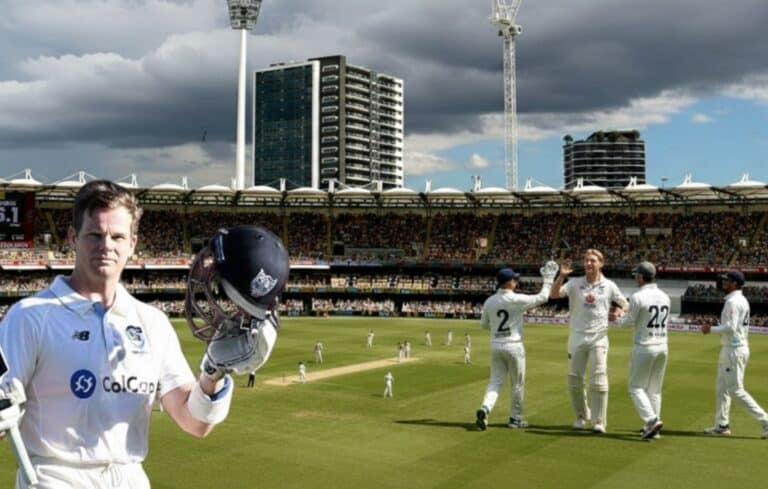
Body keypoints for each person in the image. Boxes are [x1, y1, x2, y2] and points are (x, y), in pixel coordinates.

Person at [0, 180, 288, 488]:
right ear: (73, 237)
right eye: (94, 235)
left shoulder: (153, 323)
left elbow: (194, 422)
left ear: (133, 242)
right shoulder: (30, 317)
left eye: (117, 236)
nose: (106, 245)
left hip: (130, 478)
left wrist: (213, 373)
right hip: (54, 478)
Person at [550, 249, 627, 434]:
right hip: (577, 336)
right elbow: (554, 295)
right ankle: (581, 416)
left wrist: (620, 311)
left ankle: (599, 421)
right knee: (574, 380)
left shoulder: (609, 285)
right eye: (586, 260)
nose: (588, 264)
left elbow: (625, 303)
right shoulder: (575, 283)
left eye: (592, 260)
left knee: (599, 380)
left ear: (601, 263)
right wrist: (561, 276)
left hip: (599, 337)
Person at [475, 263, 557, 431]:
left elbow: (483, 325)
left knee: (495, 382)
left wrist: (497, 330)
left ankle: (485, 407)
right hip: (514, 345)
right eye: (514, 280)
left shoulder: (490, 301)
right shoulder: (516, 299)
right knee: (517, 384)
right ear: (508, 283)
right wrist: (548, 280)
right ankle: (515, 418)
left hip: (496, 345)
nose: (516, 282)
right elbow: (542, 297)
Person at [701, 270, 768, 438]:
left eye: (727, 281)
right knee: (721, 389)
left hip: (734, 349)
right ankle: (722, 425)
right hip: (732, 348)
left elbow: (731, 327)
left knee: (736, 391)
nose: (724, 283)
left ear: (736, 284)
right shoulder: (739, 300)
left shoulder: (733, 302)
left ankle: (766, 420)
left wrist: (711, 329)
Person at [612, 262, 669, 440]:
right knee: (654, 390)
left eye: (637, 276)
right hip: (662, 346)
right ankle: (654, 426)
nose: (636, 278)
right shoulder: (665, 296)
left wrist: (617, 317)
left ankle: (651, 420)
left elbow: (628, 323)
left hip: (645, 346)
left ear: (642, 277)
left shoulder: (637, 296)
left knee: (635, 387)